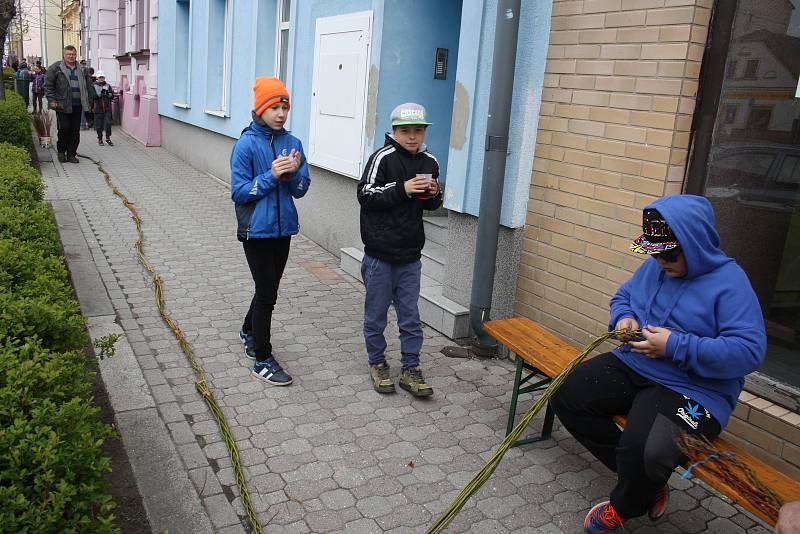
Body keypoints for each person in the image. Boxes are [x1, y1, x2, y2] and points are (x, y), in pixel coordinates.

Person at [551, 195, 766, 533]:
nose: (660, 260)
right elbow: (623, 297)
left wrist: (675, 345)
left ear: (693, 244)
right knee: (567, 394)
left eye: (668, 253)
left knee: (646, 450)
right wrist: (624, 318)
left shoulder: (731, 284)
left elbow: (748, 351)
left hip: (695, 388)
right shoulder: (655, 266)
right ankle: (644, 486)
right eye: (654, 251)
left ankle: (625, 505)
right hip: (638, 363)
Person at [357, 102, 443, 398]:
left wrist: (433, 195)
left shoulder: (430, 161)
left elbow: (431, 205)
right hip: (380, 255)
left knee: (410, 317)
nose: (412, 137)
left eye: (418, 130)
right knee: (376, 316)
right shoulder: (382, 158)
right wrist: (403, 188)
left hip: (410, 255)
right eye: (405, 131)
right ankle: (377, 362)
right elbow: (365, 195)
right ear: (394, 131)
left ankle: (410, 368)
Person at [230, 77, 310, 387]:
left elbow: (301, 189)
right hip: (255, 230)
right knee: (267, 293)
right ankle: (262, 358)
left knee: (269, 286)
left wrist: (291, 176)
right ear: (260, 108)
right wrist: (271, 175)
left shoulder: (294, 143)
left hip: (284, 228)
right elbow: (238, 192)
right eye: (274, 107)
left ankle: (249, 330)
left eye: (284, 107)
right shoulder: (246, 145)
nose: (280, 113)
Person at [44, 45, 92, 164]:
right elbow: (48, 86)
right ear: (64, 55)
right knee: (64, 128)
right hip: (62, 105)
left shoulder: (82, 69)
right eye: (68, 54)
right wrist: (51, 100)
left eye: (73, 54)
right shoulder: (56, 68)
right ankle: (61, 152)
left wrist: (90, 102)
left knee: (75, 131)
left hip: (78, 105)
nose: (71, 56)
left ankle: (71, 154)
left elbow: (88, 87)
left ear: (76, 55)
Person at [91, 71, 115, 146]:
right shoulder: (93, 85)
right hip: (98, 107)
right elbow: (92, 96)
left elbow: (112, 95)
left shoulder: (108, 85)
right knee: (99, 125)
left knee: (108, 123)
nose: (101, 78)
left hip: (107, 107)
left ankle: (108, 138)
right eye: (100, 77)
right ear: (97, 78)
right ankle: (100, 139)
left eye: (102, 77)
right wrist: (100, 94)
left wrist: (108, 94)